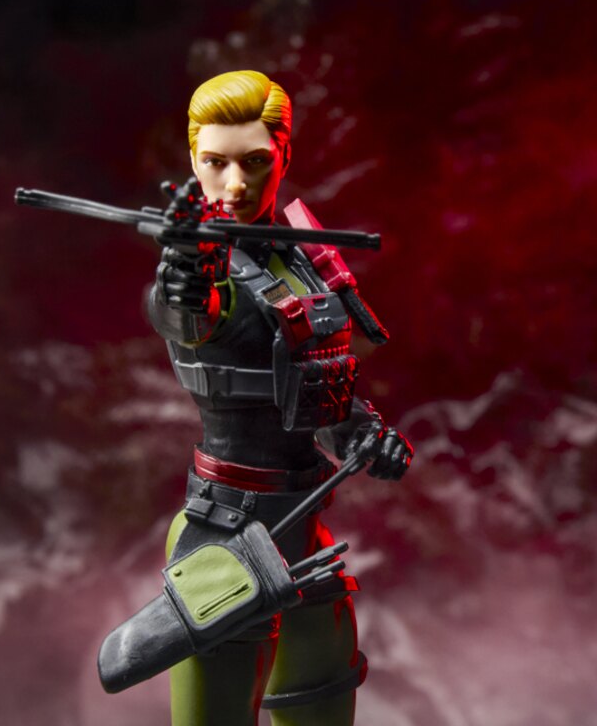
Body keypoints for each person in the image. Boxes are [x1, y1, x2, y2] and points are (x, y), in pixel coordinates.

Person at [147, 70, 412, 726]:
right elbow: (186, 312)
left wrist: (362, 432)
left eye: (255, 162)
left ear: (284, 157)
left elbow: (316, 385)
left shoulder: (301, 261)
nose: (234, 184)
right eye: (215, 163)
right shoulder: (206, 273)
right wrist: (185, 269)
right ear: (193, 163)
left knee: (323, 698)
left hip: (303, 524)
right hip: (225, 532)